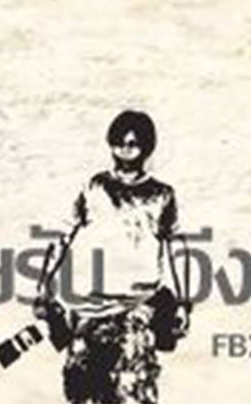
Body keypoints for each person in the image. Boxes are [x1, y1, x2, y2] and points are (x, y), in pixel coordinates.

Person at [33, 109, 190, 403]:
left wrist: (182, 302)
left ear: (146, 147)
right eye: (119, 141)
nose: (126, 148)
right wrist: (43, 286)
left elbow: (177, 248)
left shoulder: (162, 195)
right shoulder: (94, 188)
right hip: (89, 305)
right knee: (80, 390)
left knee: (132, 389)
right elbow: (61, 237)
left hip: (138, 305)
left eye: (133, 143)